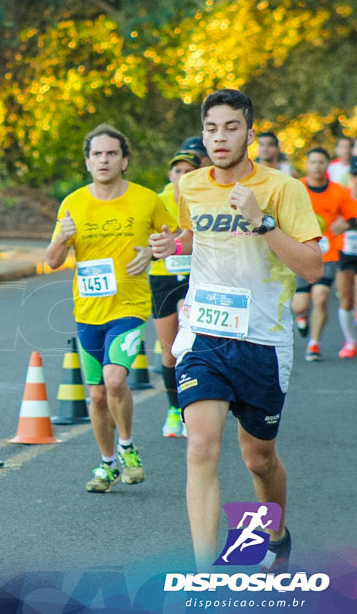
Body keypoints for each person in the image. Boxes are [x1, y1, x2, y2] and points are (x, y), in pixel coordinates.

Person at [150, 89, 322, 572]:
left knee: (258, 459)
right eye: (211, 128)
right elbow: (194, 236)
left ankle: (276, 535)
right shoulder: (191, 186)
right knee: (201, 445)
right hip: (205, 332)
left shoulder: (282, 188)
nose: (219, 137)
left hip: (263, 339)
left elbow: (312, 267)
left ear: (250, 132)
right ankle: (205, 574)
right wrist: (171, 244)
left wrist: (262, 222)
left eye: (230, 127)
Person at [45, 124, 176, 493]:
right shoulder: (72, 203)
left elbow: (176, 239)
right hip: (87, 312)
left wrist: (152, 251)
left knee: (115, 379)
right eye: (97, 154)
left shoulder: (147, 199)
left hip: (130, 307)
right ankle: (107, 464)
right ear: (88, 162)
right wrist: (62, 238)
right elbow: (53, 260)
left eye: (111, 154)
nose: (104, 160)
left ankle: (127, 446)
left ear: (124, 160)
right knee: (98, 395)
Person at [148, 151, 199, 438]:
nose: (182, 177)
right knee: (168, 351)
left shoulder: (205, 198)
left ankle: (194, 408)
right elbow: (143, 236)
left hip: (196, 278)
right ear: (170, 176)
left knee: (191, 347)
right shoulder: (157, 201)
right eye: (177, 171)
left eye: (188, 171)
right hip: (164, 278)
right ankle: (174, 409)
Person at [289, 147, 357, 360]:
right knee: (299, 304)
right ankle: (302, 316)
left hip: (327, 253)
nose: (317, 166)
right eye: (313, 162)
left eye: (321, 162)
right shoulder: (296, 188)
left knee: (321, 297)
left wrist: (344, 225)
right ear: (307, 165)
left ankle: (314, 344)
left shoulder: (339, 191)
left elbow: (353, 216)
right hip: (300, 251)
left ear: (328, 166)